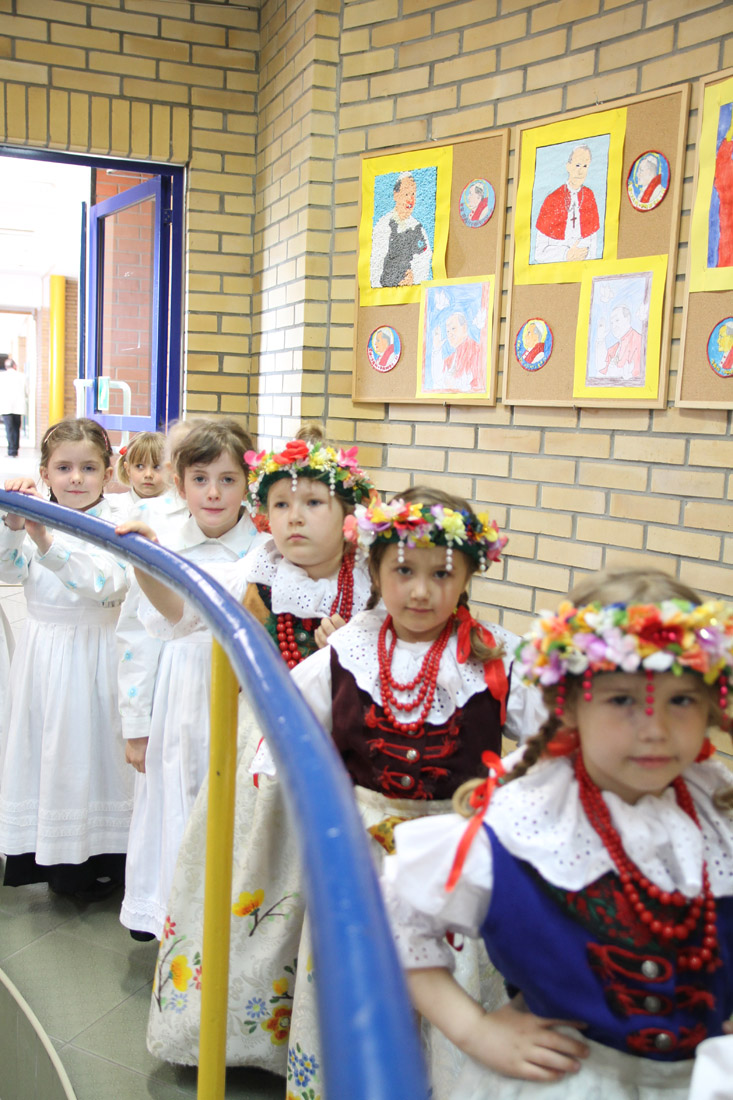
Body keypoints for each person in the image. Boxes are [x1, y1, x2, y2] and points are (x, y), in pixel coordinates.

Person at [382, 568, 733, 1100]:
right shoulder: (521, 828)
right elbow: (396, 923)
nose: (655, 729)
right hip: (562, 1083)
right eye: (621, 700)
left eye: (681, 700)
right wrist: (474, 1031)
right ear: (568, 705)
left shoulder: (718, 815)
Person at [144, 434, 375, 1069]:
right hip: (262, 753)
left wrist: (356, 646)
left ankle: (318, 1044)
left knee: (320, 889)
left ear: (348, 512)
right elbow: (182, 613)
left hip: (350, 760)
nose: (294, 518)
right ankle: (231, 1033)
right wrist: (146, 560)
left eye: (313, 502)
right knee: (250, 873)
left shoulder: (377, 579)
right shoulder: (256, 571)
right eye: (280, 504)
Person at [115, 419, 266, 940]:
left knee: (231, 801)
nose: (214, 493)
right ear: (179, 485)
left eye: (228, 479)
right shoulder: (164, 543)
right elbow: (146, 634)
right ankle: (170, 919)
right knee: (176, 794)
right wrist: (136, 724)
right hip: (180, 690)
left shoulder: (265, 550)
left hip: (243, 693)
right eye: (200, 479)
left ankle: (226, 929)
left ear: (248, 483)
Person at [0, 417, 132, 897]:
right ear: (45, 472)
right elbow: (9, 571)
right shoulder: (34, 514)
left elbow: (107, 585)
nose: (76, 478)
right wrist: (13, 526)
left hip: (99, 653)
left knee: (97, 752)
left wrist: (46, 541)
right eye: (63, 468)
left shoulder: (120, 521)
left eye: (89, 468)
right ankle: (58, 864)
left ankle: (106, 856)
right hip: (44, 655)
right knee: (51, 749)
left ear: (108, 472)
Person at [534, 144, 600, 263]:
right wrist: (566, 254)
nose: (580, 171)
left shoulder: (589, 197)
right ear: (568, 166)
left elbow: (593, 245)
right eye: (577, 165)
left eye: (585, 166)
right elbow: (539, 253)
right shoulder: (552, 199)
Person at [370, 172, 433, 288]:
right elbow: (375, 267)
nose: (410, 199)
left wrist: (414, 277)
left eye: (413, 194)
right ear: (396, 195)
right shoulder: (383, 226)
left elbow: (425, 261)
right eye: (406, 194)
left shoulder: (418, 228)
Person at [107, 431, 167, 519]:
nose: (148, 475)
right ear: (128, 469)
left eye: (157, 467)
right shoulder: (111, 507)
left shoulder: (181, 511)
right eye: (140, 466)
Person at [431, 311, 484, 392]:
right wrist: (437, 348)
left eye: (453, 329)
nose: (450, 334)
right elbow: (438, 379)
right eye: (448, 331)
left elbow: (477, 385)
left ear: (464, 328)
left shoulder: (477, 351)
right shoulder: (452, 358)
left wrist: (453, 384)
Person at [596, 305, 643, 380]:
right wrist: (600, 339)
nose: (613, 326)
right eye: (611, 323)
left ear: (627, 319)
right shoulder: (615, 348)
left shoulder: (640, 341)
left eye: (617, 320)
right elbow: (602, 370)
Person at [0, 354, 27, 457]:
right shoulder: (22, 376)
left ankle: (11, 450)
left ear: (6, 367)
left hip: (6, 406)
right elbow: (27, 391)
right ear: (15, 366)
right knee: (16, 428)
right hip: (18, 406)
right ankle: (15, 449)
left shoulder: (2, 376)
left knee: (9, 429)